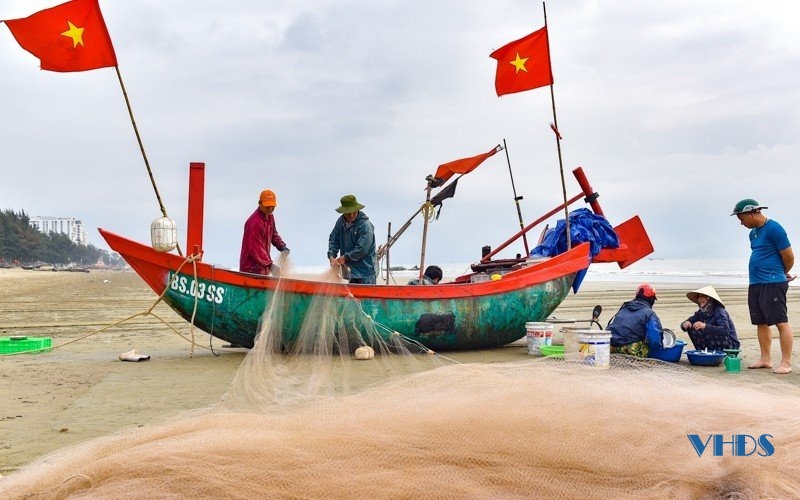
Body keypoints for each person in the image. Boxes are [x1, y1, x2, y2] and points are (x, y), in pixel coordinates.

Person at [731, 198, 795, 374]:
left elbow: (789, 256)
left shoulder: (774, 228)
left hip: (773, 283)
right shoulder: (753, 233)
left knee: (781, 322)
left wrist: (781, 274)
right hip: (756, 283)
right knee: (761, 322)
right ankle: (765, 359)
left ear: (752, 213)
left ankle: (786, 363)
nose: (741, 223)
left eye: (742, 218)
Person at [328, 194, 377, 284]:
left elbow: (362, 249)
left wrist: (345, 257)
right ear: (343, 212)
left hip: (365, 273)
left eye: (353, 211)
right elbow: (333, 240)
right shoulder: (340, 223)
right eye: (348, 213)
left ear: (357, 209)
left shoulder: (365, 225)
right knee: (349, 297)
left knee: (364, 297)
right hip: (349, 273)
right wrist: (331, 256)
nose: (351, 215)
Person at [239, 189, 289, 276]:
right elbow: (256, 249)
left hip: (263, 268)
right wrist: (270, 266)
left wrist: (282, 246)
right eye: (267, 206)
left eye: (272, 206)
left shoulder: (270, 216)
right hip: (250, 270)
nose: (270, 209)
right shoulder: (253, 223)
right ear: (259, 203)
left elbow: (273, 233)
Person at [607, 283, 664, 357]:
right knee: (648, 346)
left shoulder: (625, 307)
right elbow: (655, 340)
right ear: (651, 299)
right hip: (630, 350)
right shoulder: (650, 314)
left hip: (611, 346)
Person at [680, 285, 739, 352]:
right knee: (691, 328)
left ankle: (718, 354)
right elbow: (690, 321)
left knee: (708, 330)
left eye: (702, 296)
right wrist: (685, 324)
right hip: (714, 344)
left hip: (730, 345)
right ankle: (703, 352)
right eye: (699, 296)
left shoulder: (719, 311)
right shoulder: (701, 312)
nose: (700, 298)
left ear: (709, 299)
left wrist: (705, 326)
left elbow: (725, 330)